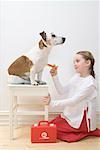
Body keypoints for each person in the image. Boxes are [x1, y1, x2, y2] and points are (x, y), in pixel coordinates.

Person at [42, 51, 100, 142]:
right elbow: (62, 91)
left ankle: (84, 131)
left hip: (81, 119)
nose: (74, 64)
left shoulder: (90, 84)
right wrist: (55, 76)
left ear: (88, 63)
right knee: (51, 125)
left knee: (53, 130)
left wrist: (52, 103)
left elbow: (74, 101)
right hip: (71, 114)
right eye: (74, 62)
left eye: (77, 61)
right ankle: (77, 131)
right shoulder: (76, 77)